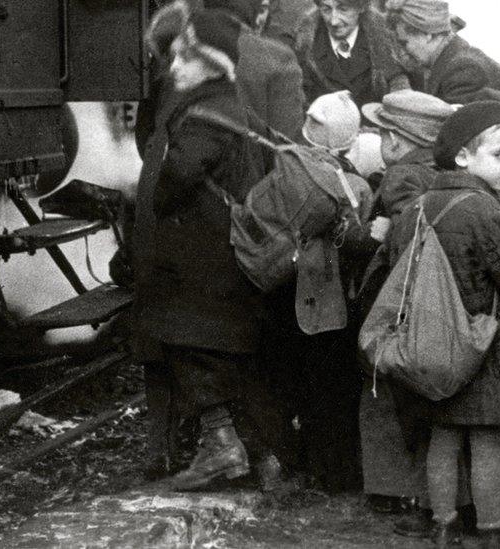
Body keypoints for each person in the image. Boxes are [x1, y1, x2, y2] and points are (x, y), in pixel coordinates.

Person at [386, 101, 500, 547]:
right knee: (487, 446)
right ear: (463, 156)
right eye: (499, 155)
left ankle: (444, 527)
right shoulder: (486, 213)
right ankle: (491, 534)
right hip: (488, 350)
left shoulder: (416, 209)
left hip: (432, 350)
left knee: (442, 439)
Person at [138, 9, 277, 491]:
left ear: (210, 63)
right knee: (228, 353)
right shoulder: (233, 106)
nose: (174, 65)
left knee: (193, 347)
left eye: (185, 57)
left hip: (203, 262)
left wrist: (154, 199)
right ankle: (261, 453)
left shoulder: (204, 117)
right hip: (226, 257)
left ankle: (220, 446)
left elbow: (175, 178)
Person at [358, 89, 459, 518]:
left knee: (380, 392)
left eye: (381, 132)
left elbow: (407, 230)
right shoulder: (443, 171)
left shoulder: (400, 177)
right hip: (439, 301)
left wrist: (375, 232)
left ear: (396, 140)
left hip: (397, 299)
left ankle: (391, 487)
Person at [392, 0, 500, 109]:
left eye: (405, 43)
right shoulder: (455, 59)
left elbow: (456, 138)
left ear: (427, 33)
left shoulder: (461, 69)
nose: (403, 51)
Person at [202, 0, 307, 141]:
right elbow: (289, 147)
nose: (261, 20)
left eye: (265, 9)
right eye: (261, 9)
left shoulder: (177, 42)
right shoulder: (276, 58)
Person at [298, 0, 409, 108]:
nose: (333, 21)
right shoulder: (305, 48)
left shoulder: (383, 42)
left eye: (343, 9)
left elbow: (398, 81)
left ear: (361, 8)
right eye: (326, 9)